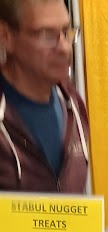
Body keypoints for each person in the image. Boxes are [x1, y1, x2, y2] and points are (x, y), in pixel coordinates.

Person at [0, 0, 89, 192]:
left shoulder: (74, 105)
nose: (64, 48)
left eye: (66, 32)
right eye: (47, 35)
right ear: (6, 36)